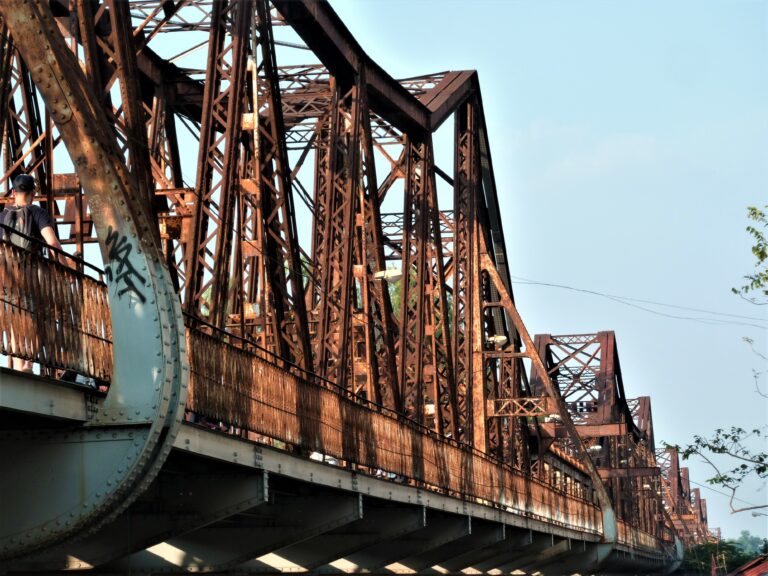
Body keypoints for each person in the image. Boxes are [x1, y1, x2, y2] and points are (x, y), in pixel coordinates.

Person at [1, 174, 62, 373]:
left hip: (7, 274)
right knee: (38, 315)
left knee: (13, 316)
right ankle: (29, 363)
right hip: (32, 274)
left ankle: (18, 364)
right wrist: (64, 265)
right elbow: (51, 242)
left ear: (13, 192)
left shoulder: (2, 216)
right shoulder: (37, 213)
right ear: (33, 194)